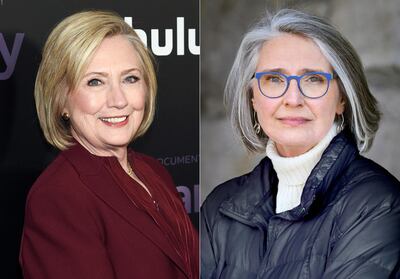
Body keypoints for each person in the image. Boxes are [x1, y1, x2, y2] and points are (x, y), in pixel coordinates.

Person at [201, 9, 400, 279]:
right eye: (274, 79)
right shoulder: (219, 207)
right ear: (252, 98)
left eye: (313, 79)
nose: (293, 98)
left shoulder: (379, 204)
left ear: (341, 98)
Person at [19, 10, 198, 279]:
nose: (118, 100)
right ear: (61, 100)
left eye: (130, 79)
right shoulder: (58, 197)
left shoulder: (152, 171)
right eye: (95, 82)